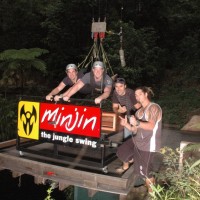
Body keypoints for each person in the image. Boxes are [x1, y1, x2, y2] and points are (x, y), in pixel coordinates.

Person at [116, 86, 162, 195]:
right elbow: (134, 129)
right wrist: (126, 124)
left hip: (148, 144)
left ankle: (153, 194)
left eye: (139, 94)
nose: (137, 96)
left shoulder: (153, 108)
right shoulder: (139, 112)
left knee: (145, 172)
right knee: (122, 151)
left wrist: (137, 122)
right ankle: (128, 164)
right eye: (136, 95)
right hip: (137, 141)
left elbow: (151, 126)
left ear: (146, 94)